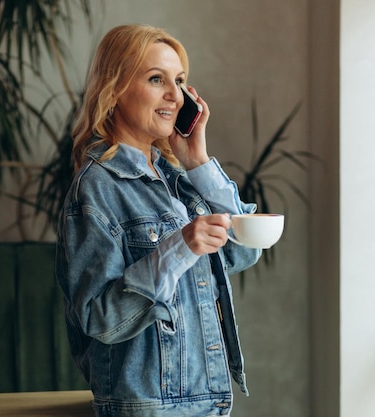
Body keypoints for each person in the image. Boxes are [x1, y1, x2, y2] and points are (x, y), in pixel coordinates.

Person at [55, 23, 262, 417]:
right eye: (156, 79)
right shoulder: (97, 188)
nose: (175, 95)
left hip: (207, 402)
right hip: (147, 409)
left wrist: (197, 162)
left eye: (180, 80)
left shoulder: (176, 179)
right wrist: (179, 247)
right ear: (114, 90)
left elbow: (243, 250)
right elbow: (99, 317)